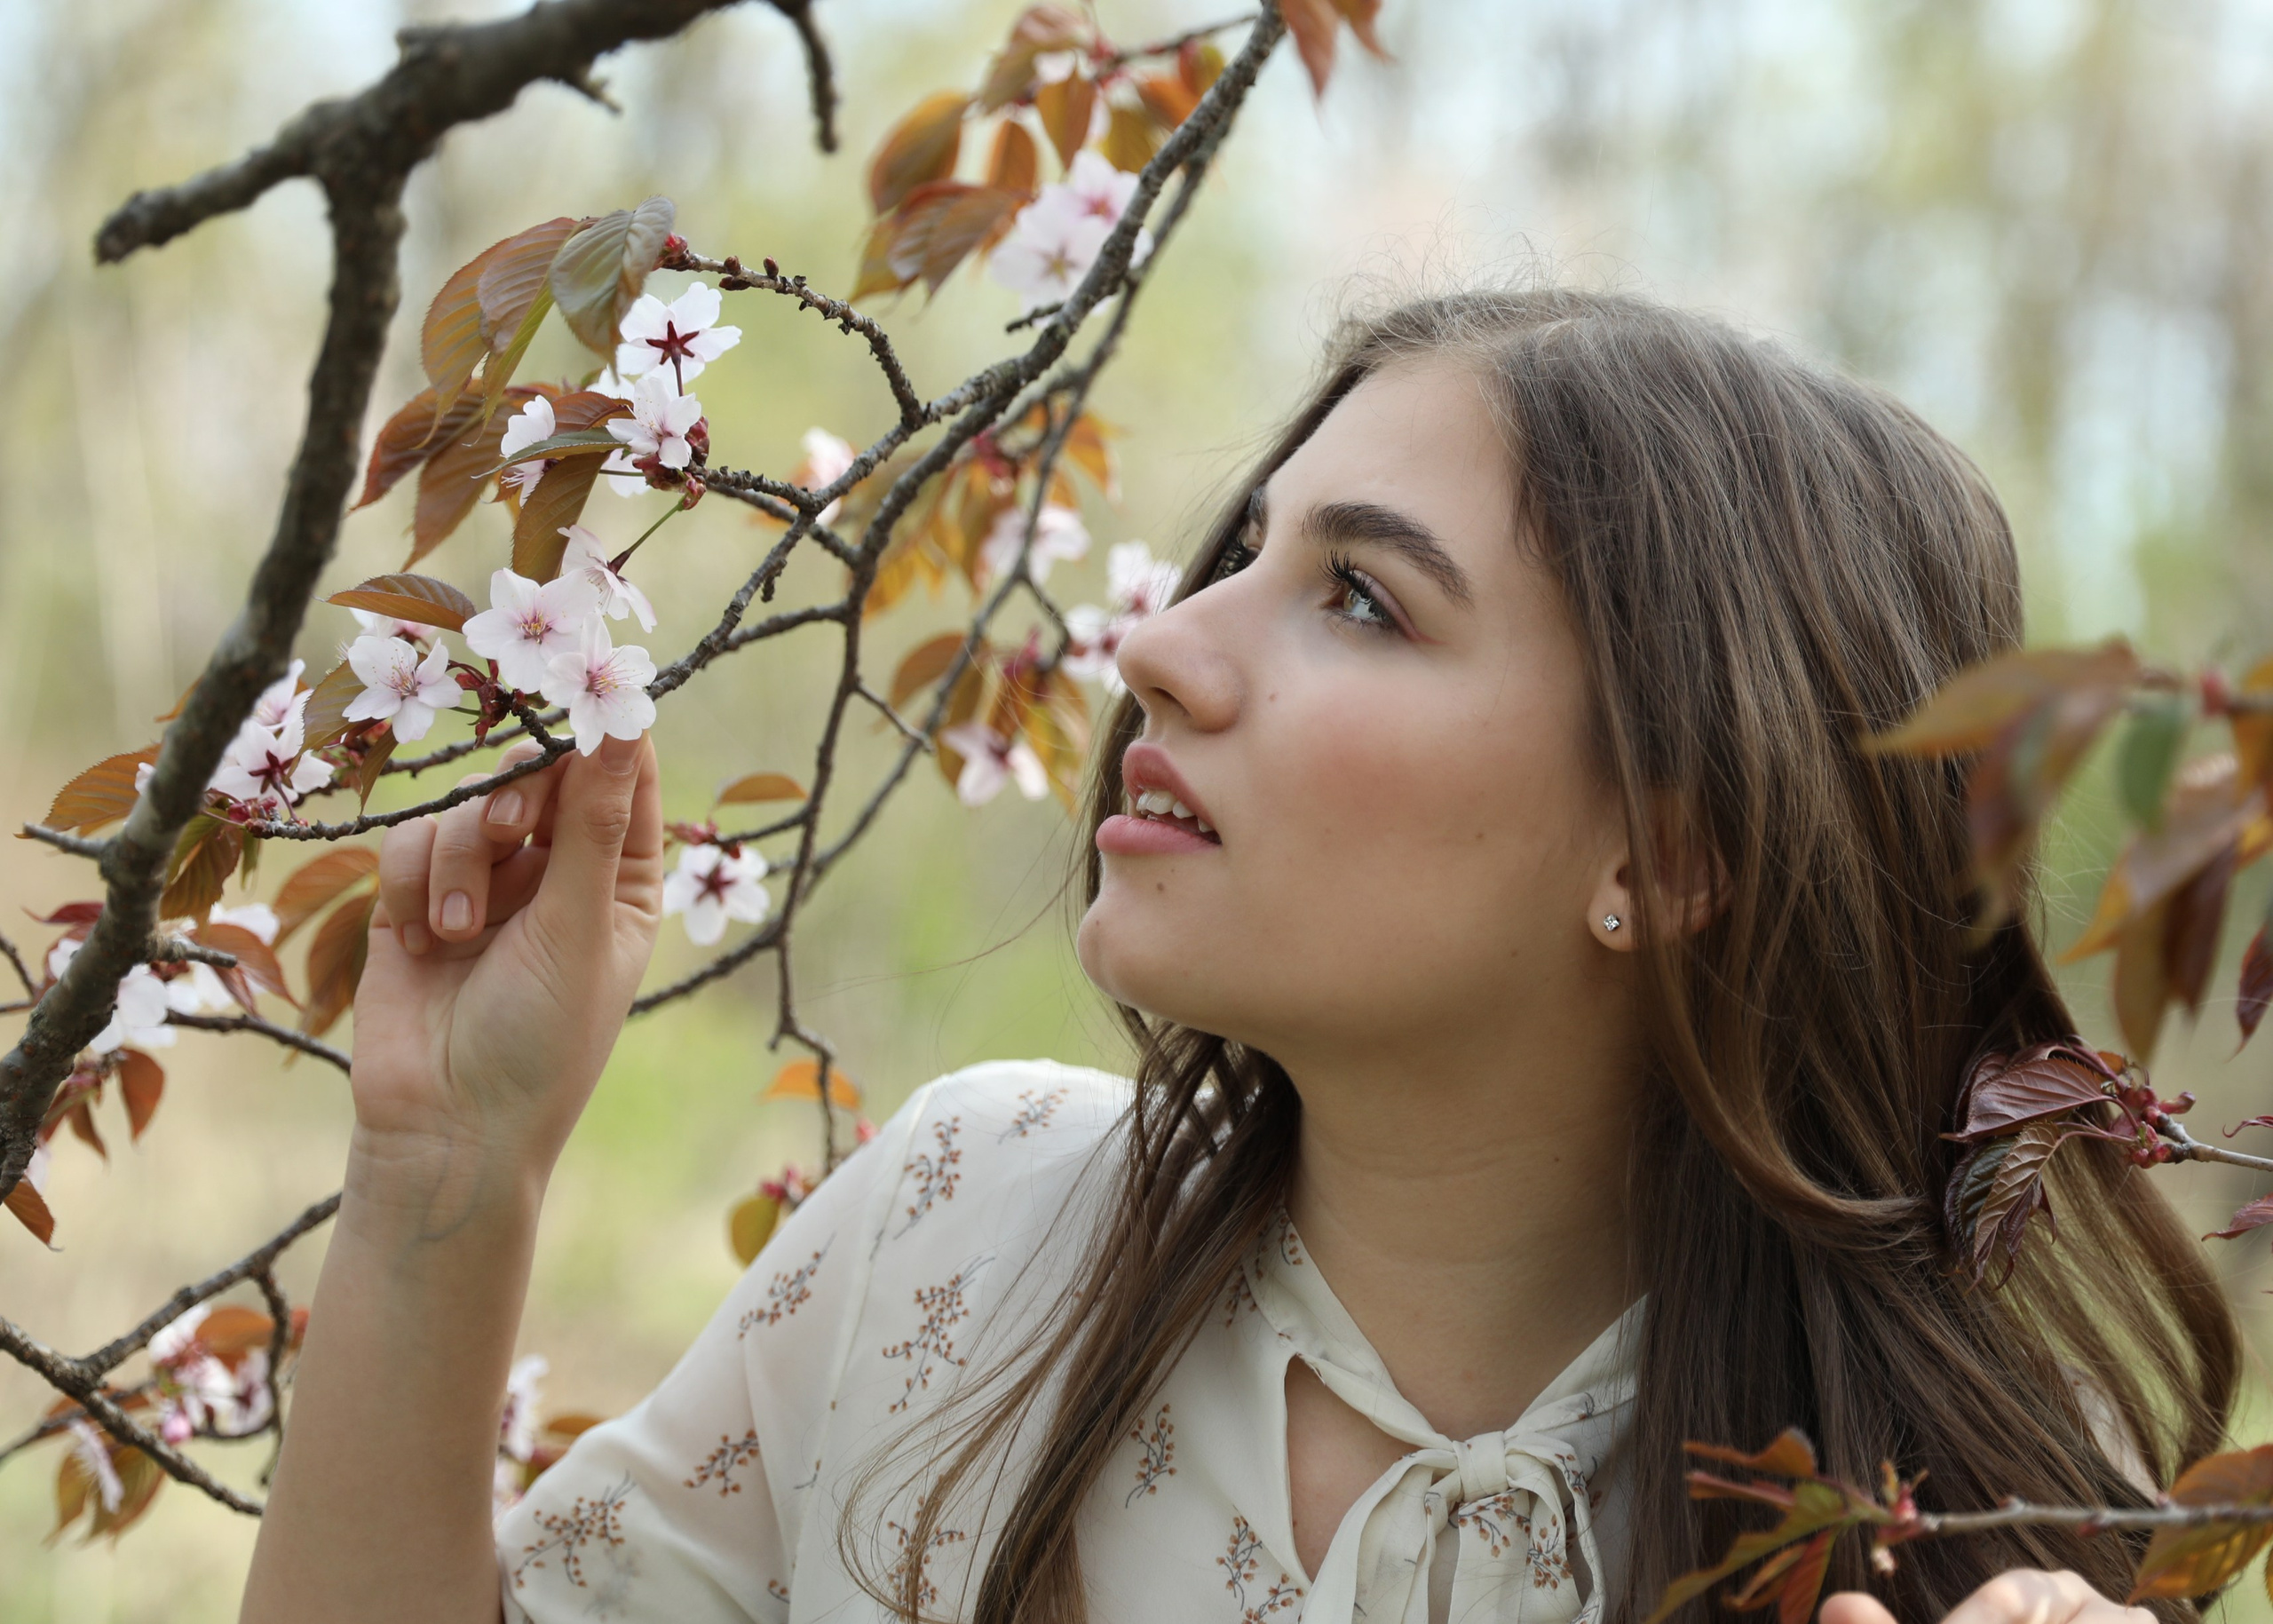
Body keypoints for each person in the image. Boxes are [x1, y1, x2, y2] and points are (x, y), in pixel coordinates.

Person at [239, 289, 2233, 1624]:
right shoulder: (953, 1242)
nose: (1162, 645)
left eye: (1361, 597)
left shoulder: (1947, 1535)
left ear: (1675, 847)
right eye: (1247, 555)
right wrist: (444, 1173)